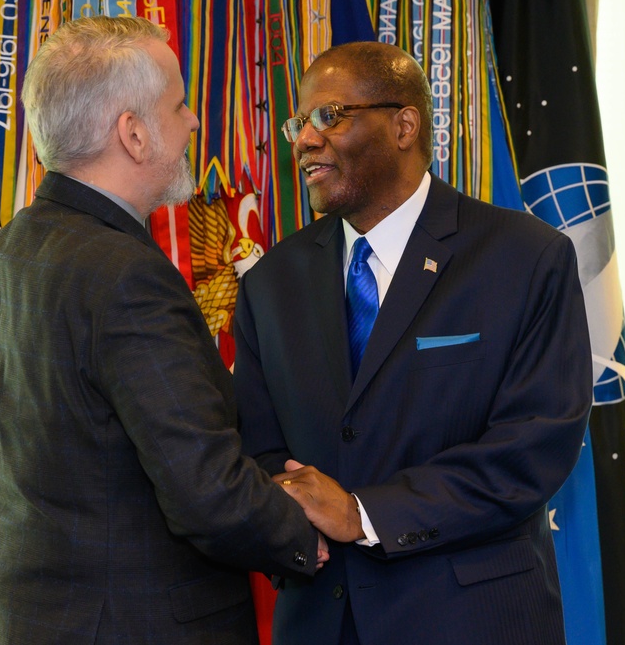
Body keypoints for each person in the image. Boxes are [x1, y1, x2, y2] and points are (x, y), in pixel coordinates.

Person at [0, 16, 323, 645]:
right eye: (179, 105)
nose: (193, 123)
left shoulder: (7, 249)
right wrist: (314, 535)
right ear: (132, 133)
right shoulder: (125, 275)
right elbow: (206, 491)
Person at [233, 41, 593, 645]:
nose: (303, 140)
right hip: (322, 621)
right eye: (299, 122)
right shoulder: (273, 282)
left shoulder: (525, 258)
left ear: (404, 125)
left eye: (330, 116)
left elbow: (533, 447)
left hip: (472, 621)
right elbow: (259, 450)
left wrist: (363, 513)